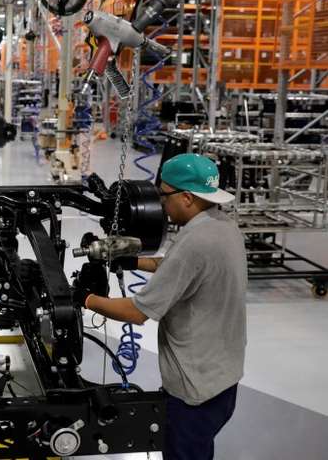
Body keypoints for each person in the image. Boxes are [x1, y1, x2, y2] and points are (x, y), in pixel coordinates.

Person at [74, 153, 247, 460]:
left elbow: (137, 313)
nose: (162, 205)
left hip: (193, 391)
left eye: (164, 196)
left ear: (187, 198)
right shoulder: (221, 225)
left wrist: (85, 299)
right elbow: (180, 267)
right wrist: (130, 260)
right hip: (222, 378)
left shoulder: (195, 243)